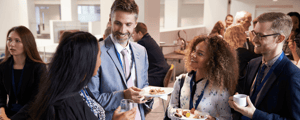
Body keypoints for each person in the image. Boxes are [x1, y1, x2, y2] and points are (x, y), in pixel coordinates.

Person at [28, 32, 137, 120]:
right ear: (87, 61)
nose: (101, 61)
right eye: (99, 56)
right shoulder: (64, 105)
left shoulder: (81, 88)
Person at [88, 0, 153, 120]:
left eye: (128, 24)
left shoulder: (141, 51)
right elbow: (92, 100)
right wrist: (123, 95)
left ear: (135, 24)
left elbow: (144, 86)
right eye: (118, 23)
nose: (122, 30)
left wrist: (149, 97)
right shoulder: (96, 51)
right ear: (110, 20)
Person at [229, 12, 300, 120]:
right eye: (254, 33)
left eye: (260, 35)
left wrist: (255, 114)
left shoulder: (292, 74)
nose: (254, 40)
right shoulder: (253, 64)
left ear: (280, 38)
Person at [167, 35, 238, 120]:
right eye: (194, 51)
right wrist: (177, 113)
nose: (193, 55)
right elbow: (170, 109)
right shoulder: (181, 81)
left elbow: (226, 117)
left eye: (200, 53)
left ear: (212, 60)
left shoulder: (219, 88)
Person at [0, 26, 46, 119]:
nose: (12, 44)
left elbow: (35, 100)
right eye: (9, 40)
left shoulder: (39, 67)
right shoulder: (3, 65)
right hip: (8, 113)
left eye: (17, 41)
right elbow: (1, 93)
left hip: (31, 115)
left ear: (27, 43)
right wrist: (2, 113)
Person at [132, 22, 170, 87]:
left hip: (157, 77)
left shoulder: (142, 43)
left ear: (140, 33)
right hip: (161, 74)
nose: (132, 36)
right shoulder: (148, 39)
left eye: (133, 33)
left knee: (133, 82)